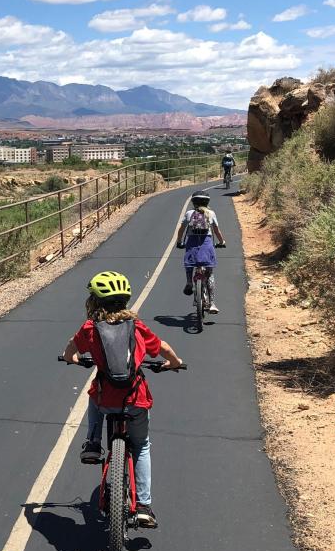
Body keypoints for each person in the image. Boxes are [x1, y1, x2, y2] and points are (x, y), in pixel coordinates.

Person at [62, 270, 183, 529]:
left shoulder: (89, 329)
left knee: (94, 395)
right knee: (141, 446)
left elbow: (70, 349)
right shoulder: (137, 327)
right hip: (135, 399)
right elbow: (163, 348)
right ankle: (143, 507)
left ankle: (93, 442)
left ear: (94, 302)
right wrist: (174, 363)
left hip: (107, 398)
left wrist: (72, 359)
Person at [176, 191, 226, 312]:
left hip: (192, 244)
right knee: (209, 273)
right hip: (206, 244)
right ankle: (212, 303)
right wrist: (222, 242)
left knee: (189, 264)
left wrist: (179, 242)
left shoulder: (189, 213)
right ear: (207, 202)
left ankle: (189, 282)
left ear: (193, 202)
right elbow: (217, 231)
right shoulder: (211, 213)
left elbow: (181, 230)